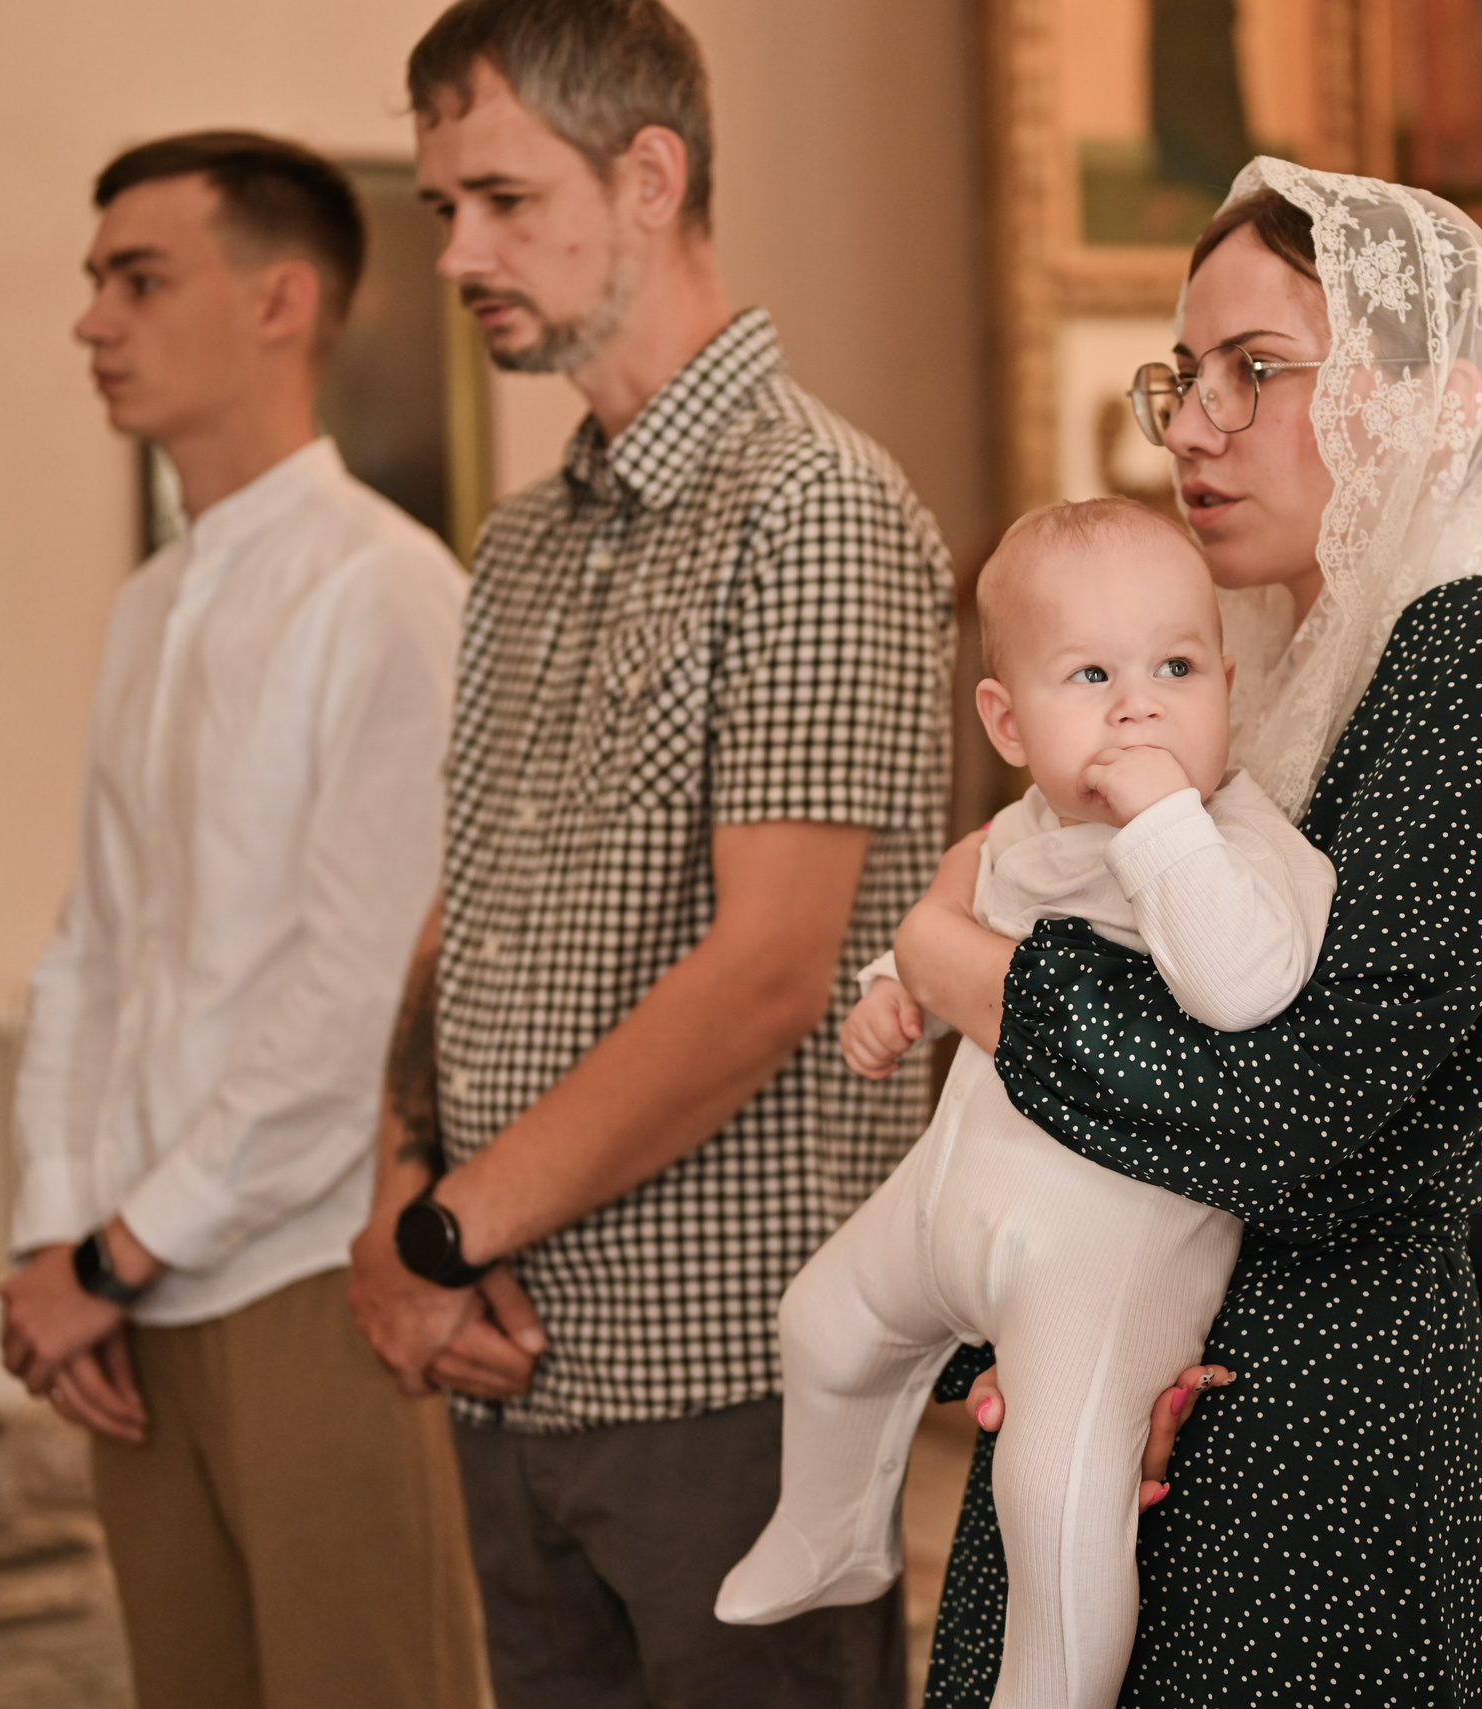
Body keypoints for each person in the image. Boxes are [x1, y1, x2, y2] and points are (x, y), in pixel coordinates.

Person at [908, 159, 1482, 1708]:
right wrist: (1030, 1331)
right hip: (1137, 1385)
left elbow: (1303, 1107)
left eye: (1256, 372)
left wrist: (964, 970)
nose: (1189, 424)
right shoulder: (1231, 663)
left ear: (1428, 404)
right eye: (1186, 376)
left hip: (1320, 1438)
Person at [340, 3, 952, 1705]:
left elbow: (769, 973)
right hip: (516, 1356)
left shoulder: (815, 507)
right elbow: (469, 912)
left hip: (729, 1370)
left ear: (651, 175)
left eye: (503, 198)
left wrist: (443, 1233)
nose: (459, 249)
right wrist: (402, 1190)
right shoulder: (524, 541)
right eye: (437, 205)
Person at [0, 132, 478, 1709]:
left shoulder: (386, 593)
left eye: (138, 280)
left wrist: (115, 1255)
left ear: (282, 301)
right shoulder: (151, 603)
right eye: (93, 284)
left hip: (302, 1281)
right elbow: (94, 951)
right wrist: (56, 1235)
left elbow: (357, 1006)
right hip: (134, 1287)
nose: (94, 322)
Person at [717, 497, 1336, 1708]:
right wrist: (895, 987)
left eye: (1175, 665)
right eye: (1090, 674)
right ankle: (832, 1530)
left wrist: (1161, 820)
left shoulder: (1242, 839)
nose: (1138, 706)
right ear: (1006, 720)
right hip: (950, 1199)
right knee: (820, 1324)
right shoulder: (1018, 832)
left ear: (1226, 683)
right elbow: (962, 932)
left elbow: (1241, 984)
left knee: (1051, 1500)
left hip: (1098, 1263)